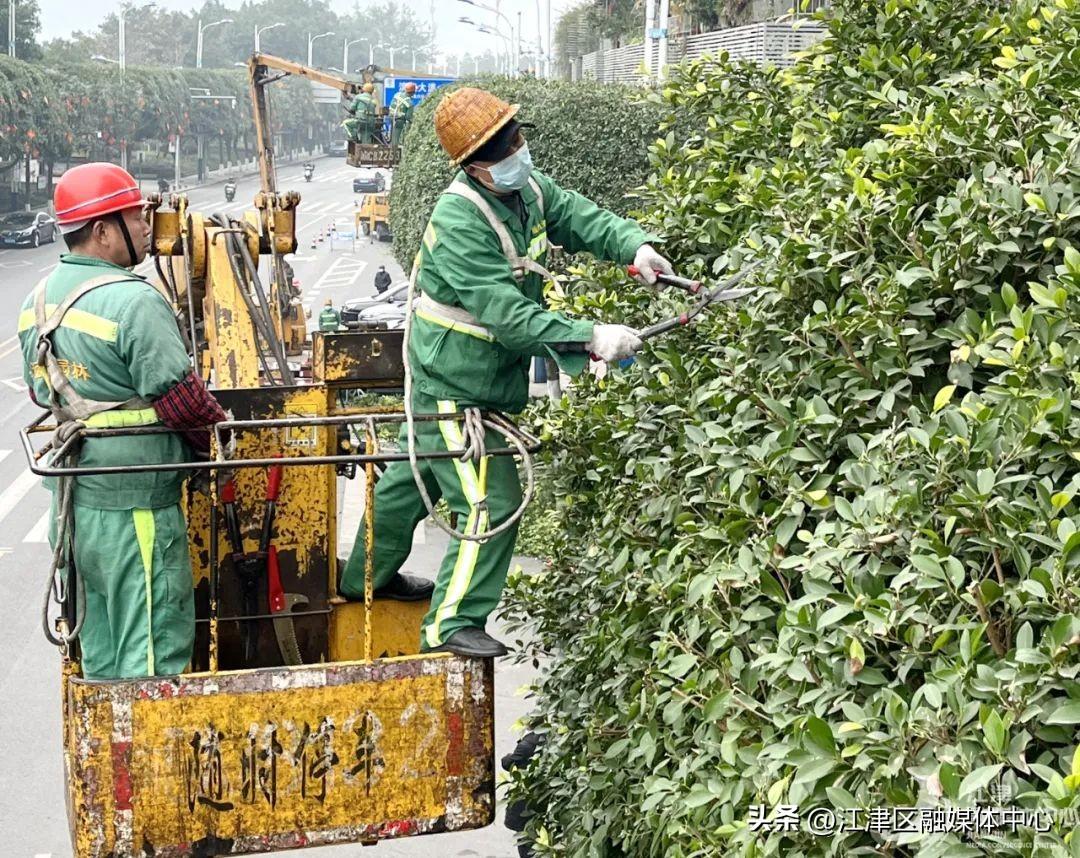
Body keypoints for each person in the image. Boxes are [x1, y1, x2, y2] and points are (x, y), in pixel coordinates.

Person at [339, 87, 674, 657]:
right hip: (452, 385)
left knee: (406, 487)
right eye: (504, 148)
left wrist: (634, 247)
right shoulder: (460, 219)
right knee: (489, 501)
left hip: (476, 379)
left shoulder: (525, 191)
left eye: (517, 139)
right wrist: (592, 338)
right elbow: (511, 317)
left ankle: (360, 581)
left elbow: (578, 216)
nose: (518, 151)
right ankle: (449, 626)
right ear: (474, 166)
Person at [17, 162, 227, 679]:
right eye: (135, 219)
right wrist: (219, 447)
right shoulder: (134, 301)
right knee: (152, 654)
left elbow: (40, 389)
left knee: (101, 650)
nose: (145, 230)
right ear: (103, 231)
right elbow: (184, 402)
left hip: (75, 512)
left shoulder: (36, 302)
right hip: (139, 510)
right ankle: (152, 757)